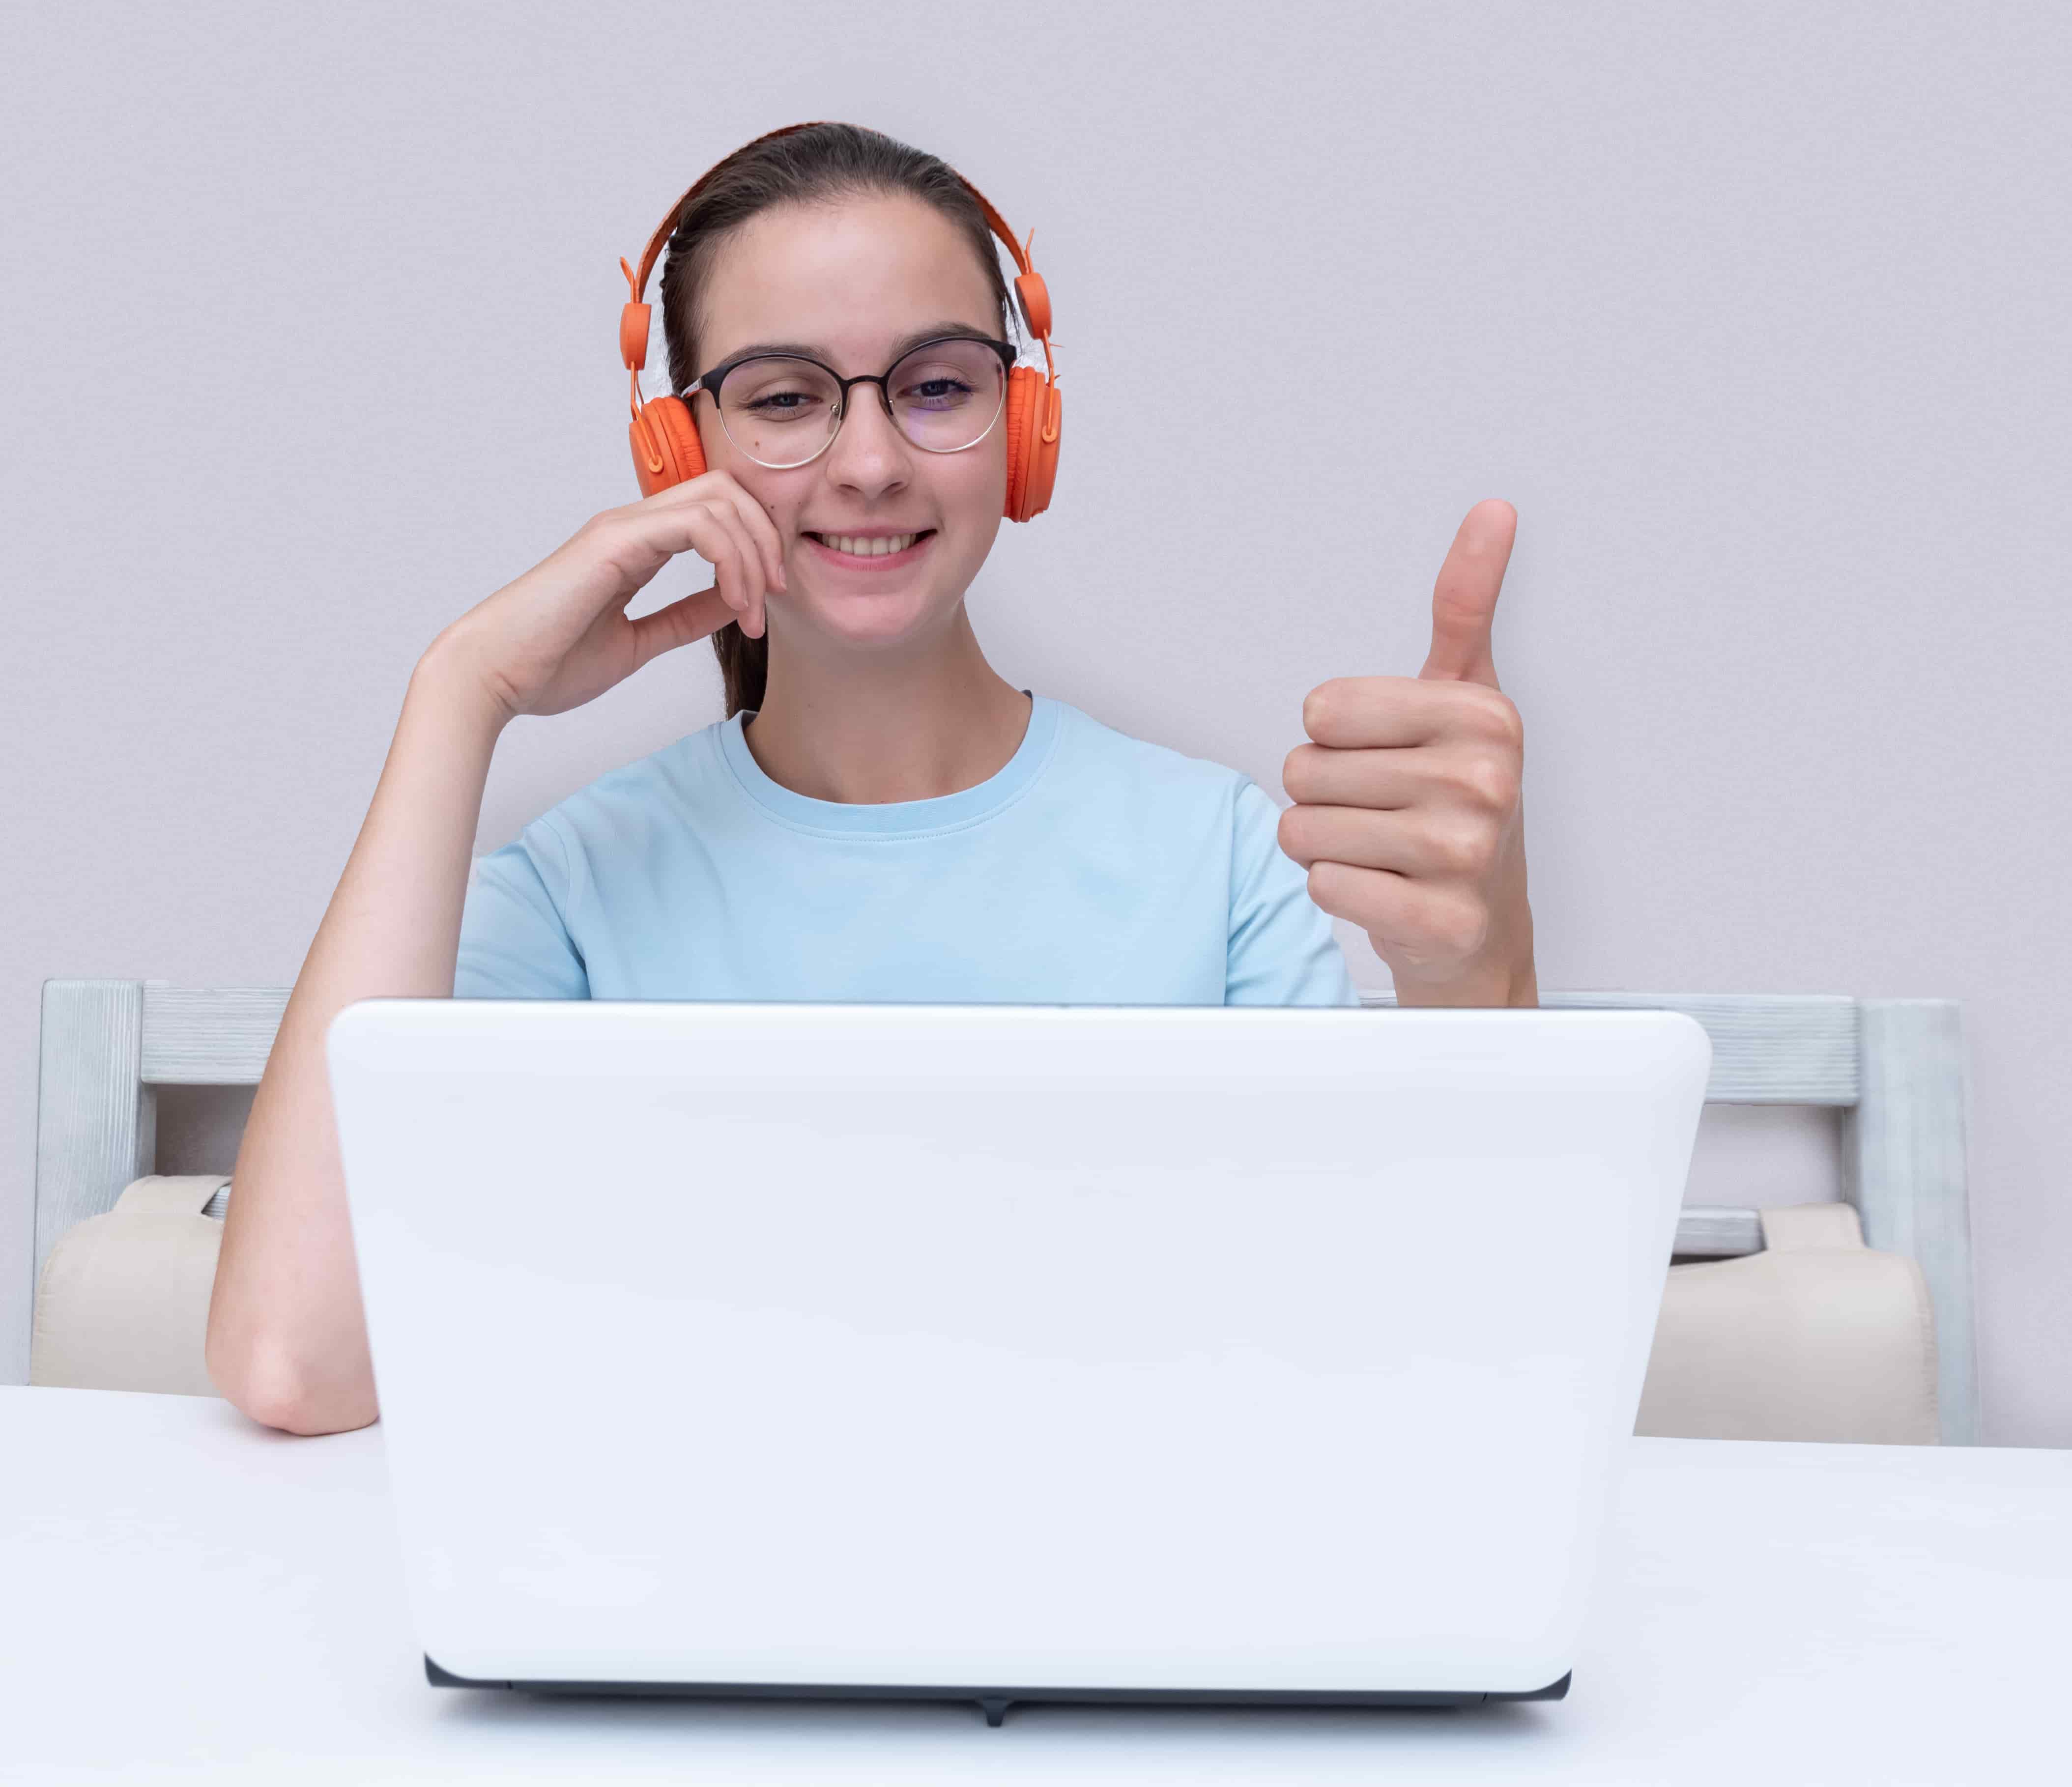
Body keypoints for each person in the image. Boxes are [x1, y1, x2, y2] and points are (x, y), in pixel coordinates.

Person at [205, 122, 1535, 1438]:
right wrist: (461, 694)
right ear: (681, 457)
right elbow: (298, 1364)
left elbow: (1406, 1350)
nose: (871, 462)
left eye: (937, 386)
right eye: (784, 398)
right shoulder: (573, 894)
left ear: (1024, 430)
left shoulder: (1224, 857)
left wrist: (1481, 979)